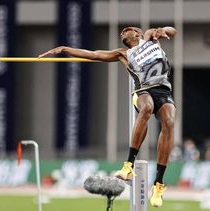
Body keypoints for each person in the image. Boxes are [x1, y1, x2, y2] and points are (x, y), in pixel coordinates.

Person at [39, 26, 177, 207]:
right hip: (143, 91)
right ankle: (128, 166)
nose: (123, 32)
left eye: (127, 29)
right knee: (147, 108)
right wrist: (65, 49)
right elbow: (93, 54)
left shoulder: (151, 37)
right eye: (121, 32)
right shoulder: (123, 54)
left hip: (163, 90)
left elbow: (171, 30)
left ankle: (158, 184)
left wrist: (164, 31)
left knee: (169, 121)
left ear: (138, 33)